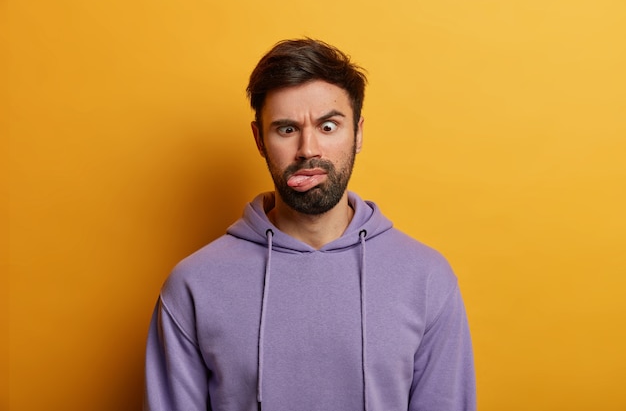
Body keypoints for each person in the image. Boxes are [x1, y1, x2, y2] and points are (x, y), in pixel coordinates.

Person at [144, 38, 476, 411]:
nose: (308, 150)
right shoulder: (193, 285)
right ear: (259, 139)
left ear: (359, 133)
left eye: (329, 126)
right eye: (286, 129)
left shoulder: (427, 279)